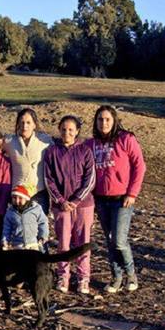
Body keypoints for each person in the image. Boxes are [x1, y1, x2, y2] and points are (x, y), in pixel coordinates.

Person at [86, 105, 146, 293]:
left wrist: (132, 193)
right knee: (109, 239)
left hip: (122, 199)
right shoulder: (91, 144)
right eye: (100, 119)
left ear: (114, 121)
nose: (103, 123)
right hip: (101, 199)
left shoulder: (126, 139)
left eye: (107, 119)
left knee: (119, 240)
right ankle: (116, 277)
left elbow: (140, 166)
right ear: (95, 122)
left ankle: (131, 274)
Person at [44, 116, 96, 294]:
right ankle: (63, 275)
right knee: (63, 243)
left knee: (83, 242)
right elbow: (48, 179)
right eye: (64, 129)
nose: (67, 133)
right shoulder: (52, 151)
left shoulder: (85, 151)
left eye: (71, 130)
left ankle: (83, 278)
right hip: (61, 206)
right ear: (59, 130)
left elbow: (90, 179)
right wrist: (60, 201)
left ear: (77, 131)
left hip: (83, 205)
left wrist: (75, 200)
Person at [0, 108, 53, 214]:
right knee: (17, 226)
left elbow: (59, 149)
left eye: (28, 122)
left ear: (34, 124)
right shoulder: (10, 141)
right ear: (18, 124)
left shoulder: (44, 140)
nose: (25, 126)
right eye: (22, 122)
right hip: (17, 193)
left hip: (38, 192)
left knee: (38, 226)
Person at [1, 184, 49, 251]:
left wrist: (43, 235)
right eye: (14, 198)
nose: (17, 201)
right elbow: (6, 228)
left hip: (33, 244)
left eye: (20, 198)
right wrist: (5, 241)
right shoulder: (10, 212)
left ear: (26, 199)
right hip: (18, 245)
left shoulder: (35, 209)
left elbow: (43, 222)